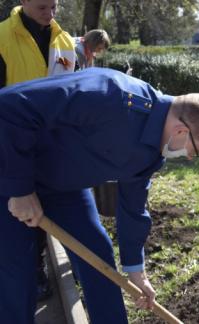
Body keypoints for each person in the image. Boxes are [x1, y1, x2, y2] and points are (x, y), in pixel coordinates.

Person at [0, 67, 199, 324]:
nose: (190, 157)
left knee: (99, 257)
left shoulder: (153, 150)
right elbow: (10, 107)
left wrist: (136, 271)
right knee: (16, 273)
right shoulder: (110, 95)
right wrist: (19, 189)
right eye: (195, 151)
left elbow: (133, 207)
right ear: (181, 131)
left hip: (62, 185)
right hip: (10, 169)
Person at [0, 0, 76, 302]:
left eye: (54, 6)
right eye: (43, 7)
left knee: (39, 220)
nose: (51, 14)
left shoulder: (65, 40)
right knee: (13, 223)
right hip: (9, 148)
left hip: (51, 150)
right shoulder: (2, 38)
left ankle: (37, 270)